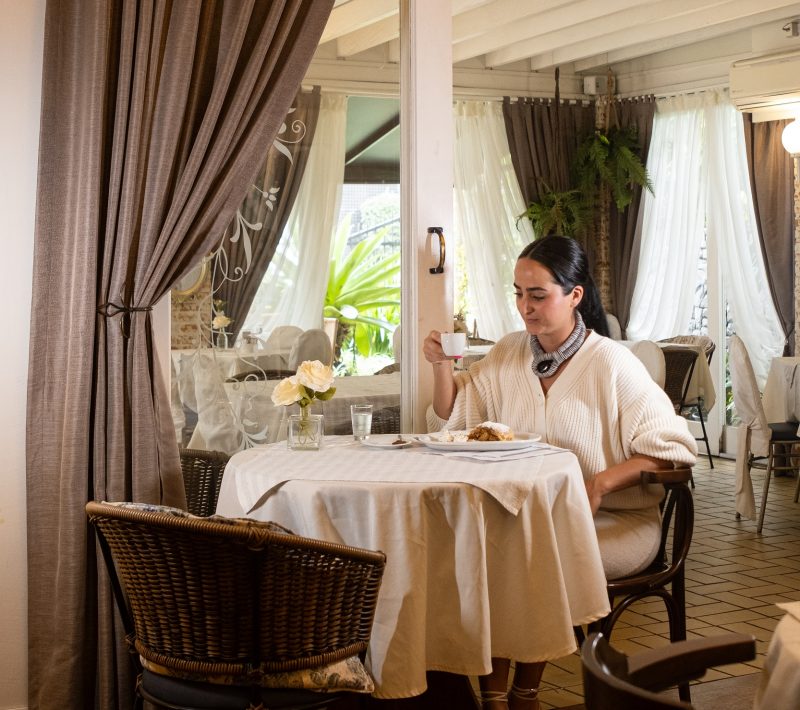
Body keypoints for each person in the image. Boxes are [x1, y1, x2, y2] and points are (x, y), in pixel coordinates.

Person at [422, 235, 697, 710]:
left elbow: (671, 449)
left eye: (537, 295)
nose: (524, 307)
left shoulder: (612, 363)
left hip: (614, 522)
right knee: (475, 549)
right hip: (523, 517)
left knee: (523, 555)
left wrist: (600, 483)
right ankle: (493, 698)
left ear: (575, 296)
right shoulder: (509, 352)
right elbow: (454, 416)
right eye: (517, 293)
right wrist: (441, 367)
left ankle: (520, 697)